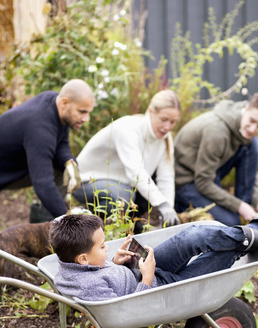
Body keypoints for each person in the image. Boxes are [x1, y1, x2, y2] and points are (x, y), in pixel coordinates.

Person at [49, 187, 258, 301]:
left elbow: (97, 269)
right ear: (83, 258)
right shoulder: (87, 287)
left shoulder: (75, 262)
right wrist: (147, 278)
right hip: (159, 290)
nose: (107, 248)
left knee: (194, 234)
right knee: (222, 255)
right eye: (103, 247)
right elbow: (122, 310)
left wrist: (114, 261)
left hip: (144, 271)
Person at [73, 89, 181, 228]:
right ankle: (92, 228)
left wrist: (167, 210)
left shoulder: (165, 138)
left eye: (173, 122)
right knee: (123, 197)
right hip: (85, 182)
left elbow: (166, 177)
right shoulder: (128, 129)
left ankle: (132, 234)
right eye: (164, 119)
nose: (167, 127)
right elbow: (136, 172)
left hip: (123, 184)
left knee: (141, 199)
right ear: (150, 112)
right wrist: (162, 204)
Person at [174, 91, 258, 226]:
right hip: (185, 183)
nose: (253, 128)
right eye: (252, 121)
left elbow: (251, 171)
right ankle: (240, 214)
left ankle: (246, 213)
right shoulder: (217, 132)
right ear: (246, 108)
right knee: (230, 224)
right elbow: (203, 182)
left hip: (208, 176)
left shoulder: (244, 131)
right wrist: (239, 206)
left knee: (252, 144)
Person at [0, 79, 95, 221]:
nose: (86, 118)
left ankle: (44, 226)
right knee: (48, 181)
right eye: (82, 112)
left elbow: (61, 142)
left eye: (88, 112)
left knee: (62, 170)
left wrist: (69, 162)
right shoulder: (40, 128)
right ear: (64, 102)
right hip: (5, 170)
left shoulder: (54, 103)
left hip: (15, 163)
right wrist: (68, 219)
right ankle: (49, 227)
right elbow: (43, 183)